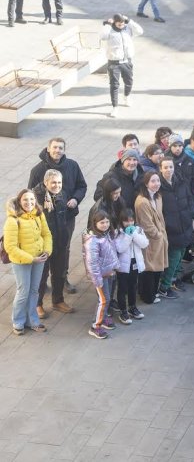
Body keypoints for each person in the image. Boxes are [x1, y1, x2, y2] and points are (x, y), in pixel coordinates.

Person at [28, 137, 86, 295]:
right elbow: (30, 194)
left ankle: (62, 278)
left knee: (64, 247)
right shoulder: (38, 170)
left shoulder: (72, 166)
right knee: (45, 250)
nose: (57, 150)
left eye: (61, 148)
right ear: (48, 149)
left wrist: (75, 199)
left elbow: (82, 185)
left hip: (67, 216)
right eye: (54, 147)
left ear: (64, 150)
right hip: (46, 220)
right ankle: (42, 282)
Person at [4, 189, 51, 335]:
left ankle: (33, 321)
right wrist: (32, 259)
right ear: (19, 201)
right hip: (21, 262)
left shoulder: (39, 214)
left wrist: (47, 251)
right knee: (23, 291)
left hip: (39, 258)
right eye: (25, 200)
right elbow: (10, 247)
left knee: (34, 291)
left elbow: (46, 234)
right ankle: (18, 321)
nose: (29, 203)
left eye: (31, 200)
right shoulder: (13, 220)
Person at [33, 170, 72, 318]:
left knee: (59, 273)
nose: (57, 185)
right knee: (41, 276)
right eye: (54, 182)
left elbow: (66, 216)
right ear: (46, 183)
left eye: (59, 182)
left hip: (60, 241)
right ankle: (37, 304)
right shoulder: (36, 197)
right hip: (43, 245)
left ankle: (58, 301)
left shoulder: (62, 194)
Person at [158, 157, 194, 293]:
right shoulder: (159, 187)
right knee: (173, 257)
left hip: (185, 224)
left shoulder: (181, 181)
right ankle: (164, 286)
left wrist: (192, 214)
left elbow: (190, 198)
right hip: (171, 228)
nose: (168, 170)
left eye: (170, 167)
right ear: (160, 169)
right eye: (165, 167)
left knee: (181, 253)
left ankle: (173, 279)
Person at [82, 210, 118, 339]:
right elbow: (92, 263)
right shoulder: (93, 241)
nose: (105, 224)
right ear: (95, 223)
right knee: (104, 300)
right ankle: (95, 326)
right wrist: (97, 280)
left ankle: (102, 318)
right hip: (100, 276)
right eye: (102, 222)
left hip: (109, 272)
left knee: (106, 298)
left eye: (107, 222)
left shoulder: (107, 234)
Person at [101, 14, 143, 118]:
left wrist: (130, 21)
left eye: (123, 24)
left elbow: (140, 31)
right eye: (119, 24)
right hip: (114, 63)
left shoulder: (127, 29)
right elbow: (102, 36)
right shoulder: (110, 31)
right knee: (114, 86)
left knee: (129, 81)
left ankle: (127, 96)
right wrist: (107, 25)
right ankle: (115, 108)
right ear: (114, 23)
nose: (121, 26)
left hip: (126, 61)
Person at [134, 171, 168, 303]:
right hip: (150, 240)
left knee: (157, 268)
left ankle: (153, 293)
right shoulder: (142, 201)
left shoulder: (158, 197)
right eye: (153, 181)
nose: (156, 184)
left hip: (159, 238)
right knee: (149, 269)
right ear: (146, 183)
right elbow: (146, 224)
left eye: (158, 181)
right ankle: (148, 296)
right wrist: (158, 235)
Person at [114, 209, 148, 324]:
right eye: (126, 221)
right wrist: (128, 236)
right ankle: (123, 311)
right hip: (123, 266)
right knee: (122, 288)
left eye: (131, 221)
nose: (129, 224)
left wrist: (134, 234)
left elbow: (144, 244)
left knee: (133, 286)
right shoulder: (118, 233)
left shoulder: (138, 230)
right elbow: (120, 248)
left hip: (135, 263)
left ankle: (132, 307)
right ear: (121, 222)